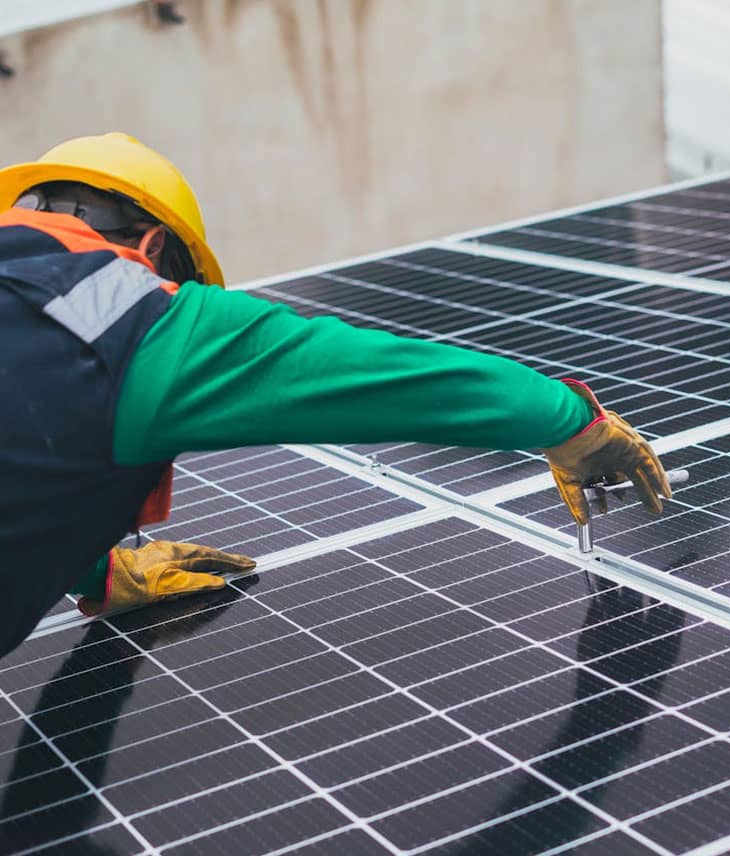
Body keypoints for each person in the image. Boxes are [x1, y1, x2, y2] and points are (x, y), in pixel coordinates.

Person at [0, 132, 670, 657]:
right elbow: (391, 377)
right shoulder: (139, 323)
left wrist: (96, 574)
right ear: (154, 247)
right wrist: (572, 422)